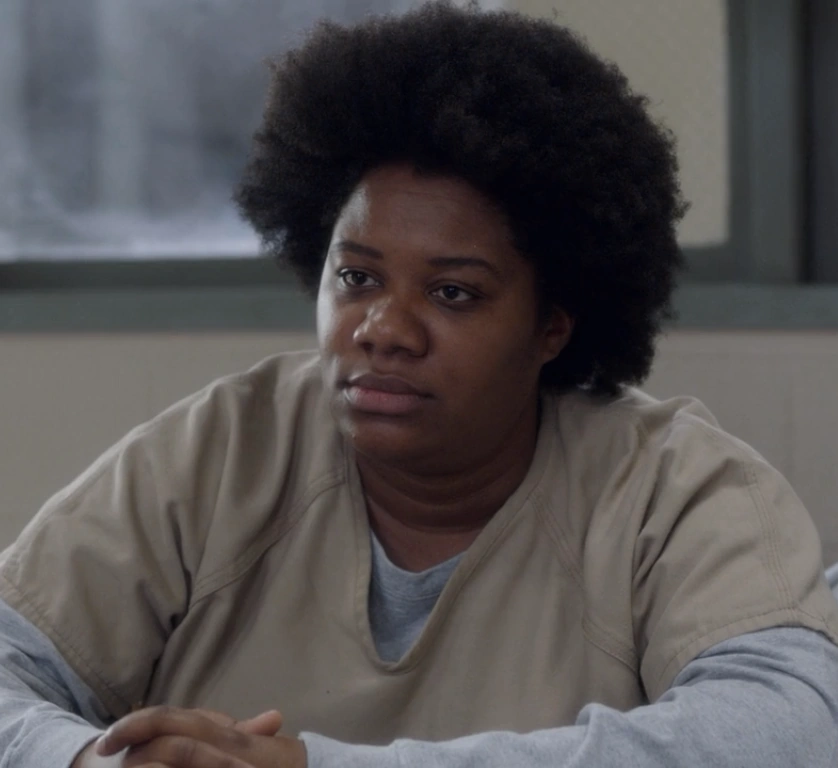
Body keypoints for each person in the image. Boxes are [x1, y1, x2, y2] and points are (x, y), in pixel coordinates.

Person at [2, 2, 838, 767]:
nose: (383, 330)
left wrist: (317, 766)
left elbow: (789, 731)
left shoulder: (673, 489)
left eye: (453, 293)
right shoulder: (220, 452)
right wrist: (85, 760)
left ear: (554, 325)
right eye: (357, 278)